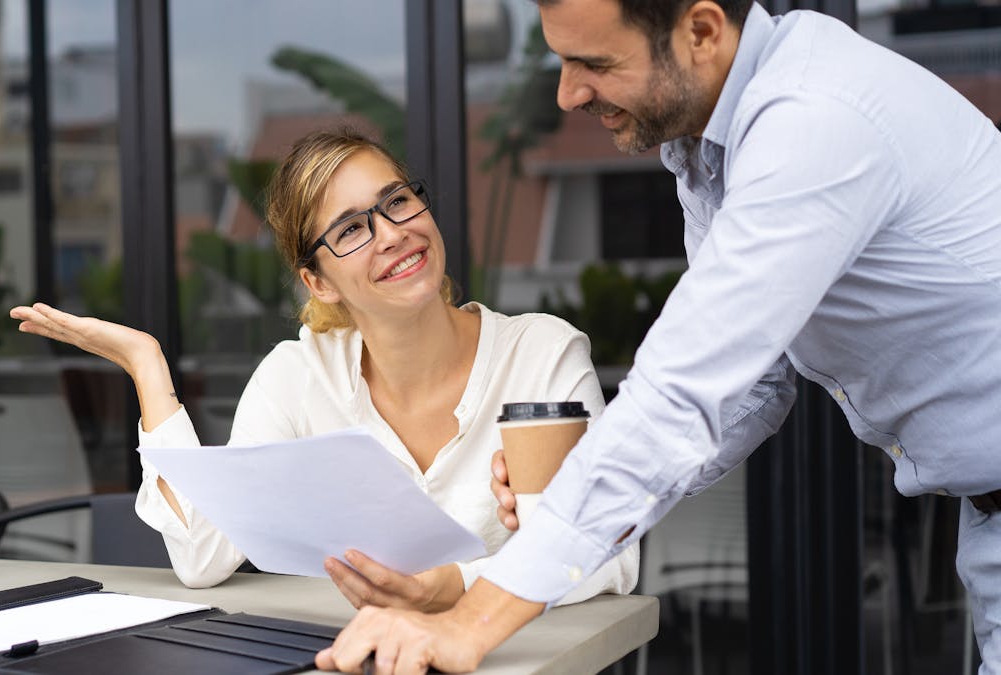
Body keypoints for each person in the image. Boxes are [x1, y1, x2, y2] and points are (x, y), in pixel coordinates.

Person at [315, 0, 1001, 673]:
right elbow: (755, 384)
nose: (567, 93)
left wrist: (472, 621)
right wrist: (577, 476)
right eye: (560, 60)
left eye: (593, 63)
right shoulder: (707, 146)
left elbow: (683, 389)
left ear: (701, 31)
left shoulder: (813, 121)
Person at [9, 128, 638, 613]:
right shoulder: (296, 378)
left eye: (396, 201)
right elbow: (203, 558)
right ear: (318, 280)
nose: (392, 233)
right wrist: (148, 368)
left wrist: (451, 587)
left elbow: (610, 554)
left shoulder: (543, 355)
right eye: (351, 230)